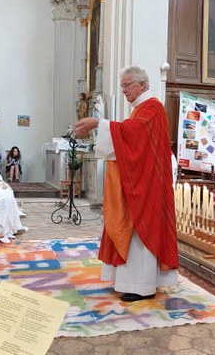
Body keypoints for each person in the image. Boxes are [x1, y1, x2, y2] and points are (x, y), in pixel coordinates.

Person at [74, 66, 178, 302]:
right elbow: (131, 137)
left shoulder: (152, 107)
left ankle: (143, 287)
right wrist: (103, 125)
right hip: (142, 180)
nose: (123, 90)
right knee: (133, 233)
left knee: (141, 232)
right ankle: (131, 281)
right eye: (122, 86)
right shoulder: (141, 109)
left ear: (142, 84)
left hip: (148, 186)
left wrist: (98, 123)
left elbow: (133, 135)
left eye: (127, 85)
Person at [0, 142, 28, 243]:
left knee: (8, 192)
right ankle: (0, 231)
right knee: (3, 199)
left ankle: (12, 228)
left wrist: (0, 181)